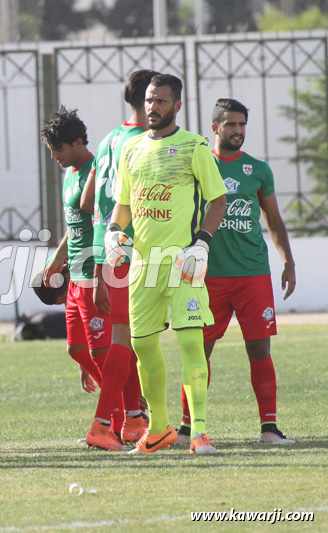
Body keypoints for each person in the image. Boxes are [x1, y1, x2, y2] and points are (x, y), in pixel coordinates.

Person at [106, 73, 227, 455]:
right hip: (144, 266)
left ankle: (200, 433)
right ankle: (159, 429)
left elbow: (217, 200)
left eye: (160, 101)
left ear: (177, 105)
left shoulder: (194, 146)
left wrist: (202, 243)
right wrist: (112, 232)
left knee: (191, 341)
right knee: (142, 346)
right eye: (148, 100)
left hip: (183, 262)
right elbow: (123, 204)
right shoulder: (131, 149)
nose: (152, 107)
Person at [176, 98, 296, 445]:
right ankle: (187, 428)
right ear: (215, 128)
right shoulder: (198, 164)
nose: (238, 130)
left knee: (259, 349)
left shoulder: (258, 170)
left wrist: (288, 261)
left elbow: (274, 220)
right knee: (199, 351)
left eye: (242, 124)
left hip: (252, 273)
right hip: (207, 276)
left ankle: (269, 429)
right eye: (230, 124)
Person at [77, 69, 158, 446]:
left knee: (129, 338)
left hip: (108, 250)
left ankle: (133, 422)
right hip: (134, 250)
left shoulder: (109, 139)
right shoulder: (146, 142)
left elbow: (87, 201)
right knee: (129, 339)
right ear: (149, 101)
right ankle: (104, 426)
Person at [41, 106, 126, 452]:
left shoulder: (97, 171)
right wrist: (58, 257)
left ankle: (122, 420)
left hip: (93, 273)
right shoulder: (70, 174)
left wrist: (100, 273)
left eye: (57, 149)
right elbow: (74, 225)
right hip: (74, 275)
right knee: (77, 350)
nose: (54, 157)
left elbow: (102, 223)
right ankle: (126, 411)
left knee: (103, 351)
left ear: (78, 143)